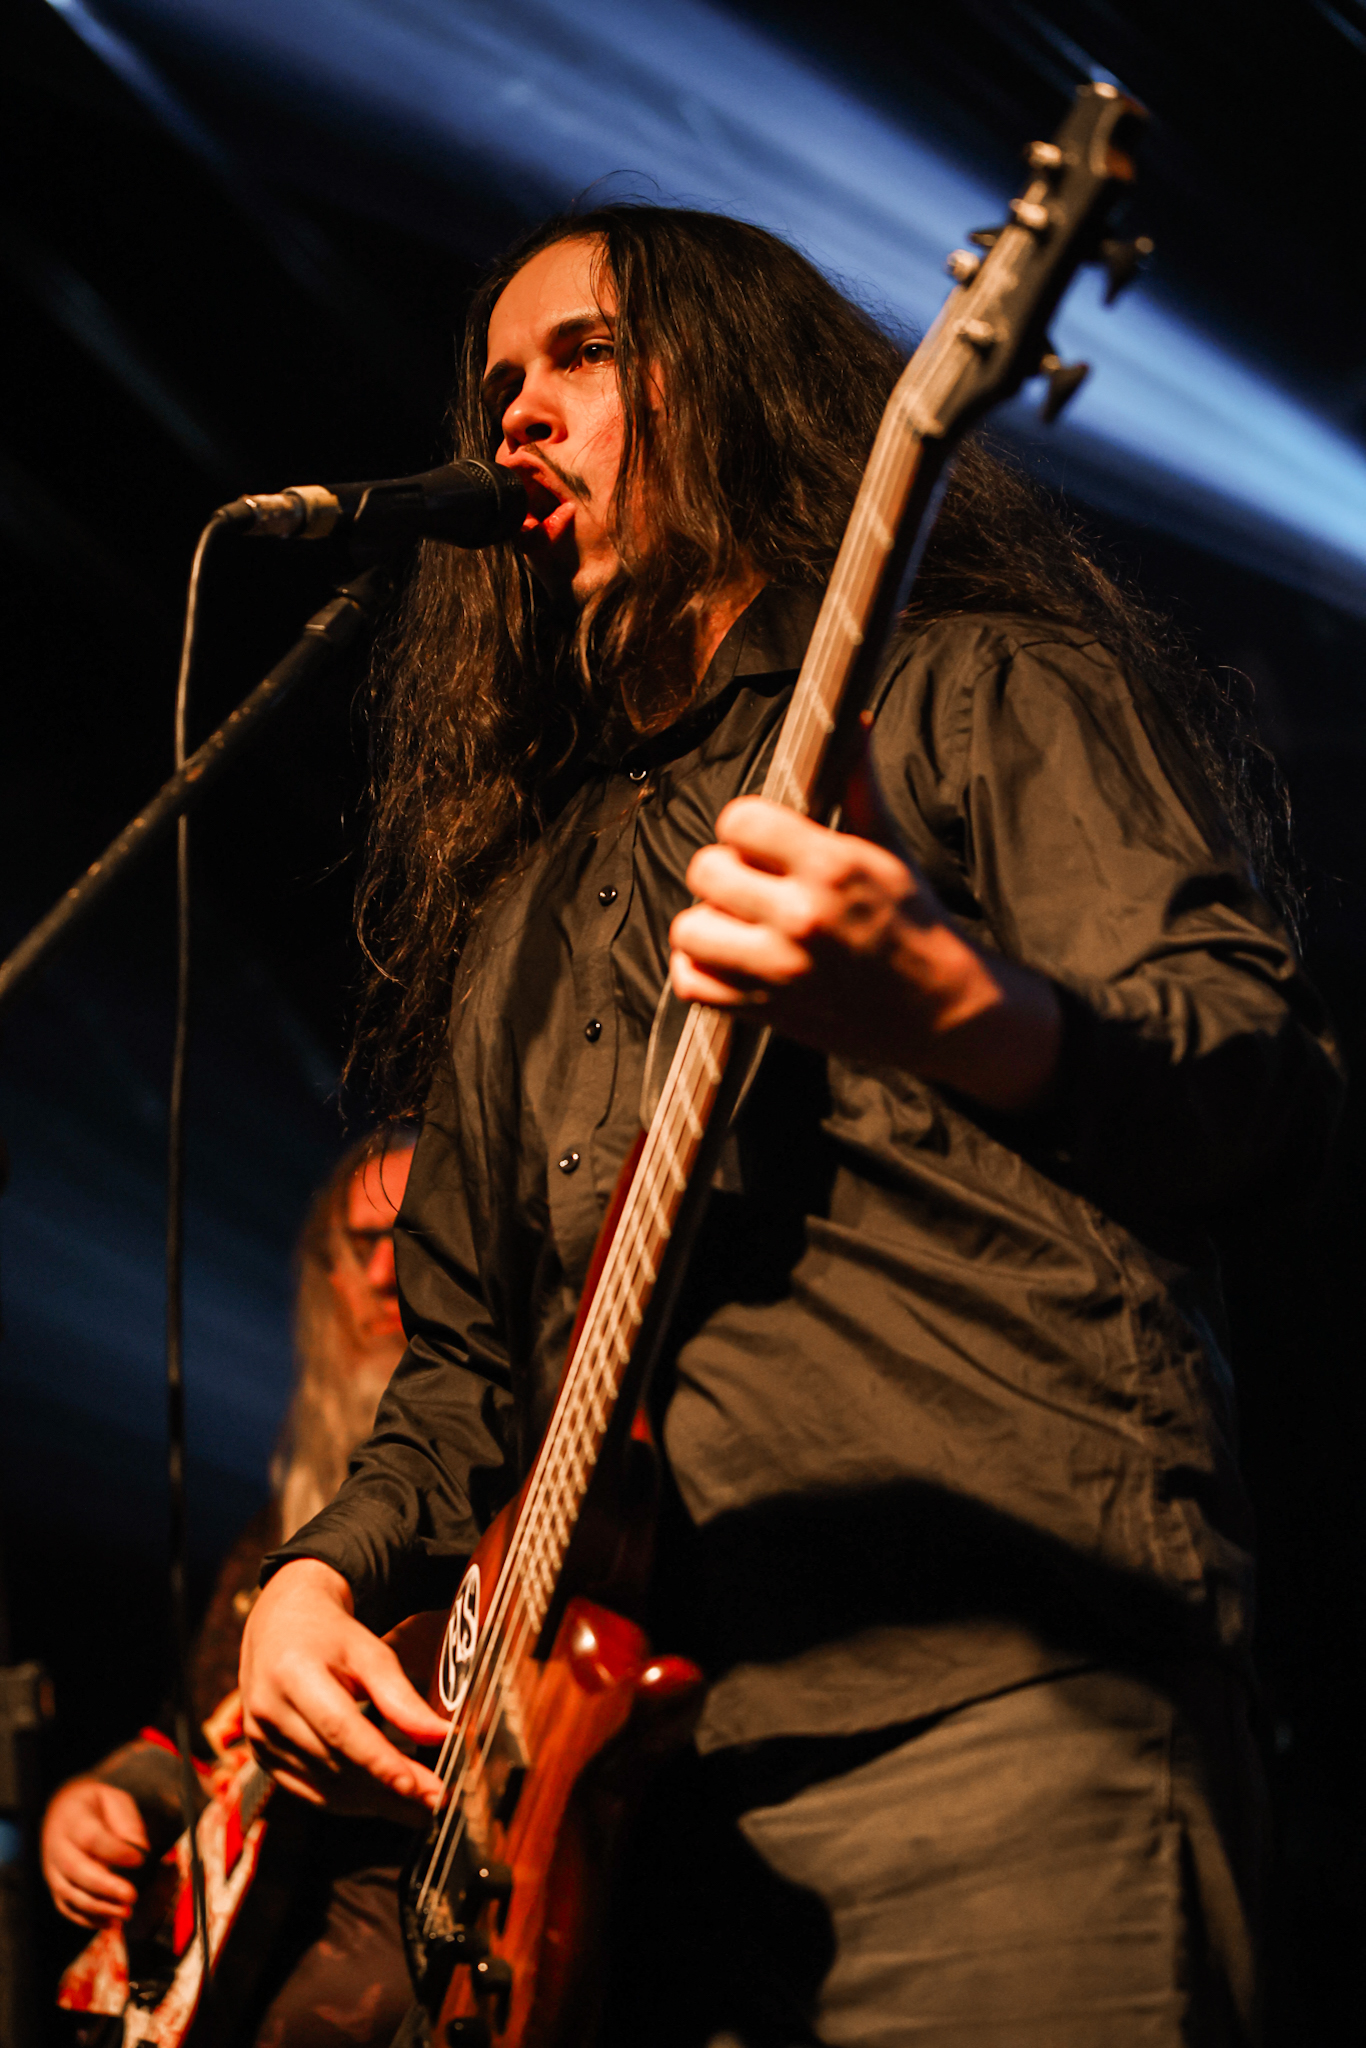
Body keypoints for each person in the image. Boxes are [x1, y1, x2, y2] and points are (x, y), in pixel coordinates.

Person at [238, 208, 1343, 2046]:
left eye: (584, 354)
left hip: (1003, 1704)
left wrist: (960, 1005)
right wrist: (308, 1582)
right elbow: (461, 1380)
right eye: (498, 383)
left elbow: (1261, 1084)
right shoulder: (528, 916)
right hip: (646, 1833)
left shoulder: (977, 691)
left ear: (740, 383)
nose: (518, 414)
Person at [43, 1131, 416, 2048]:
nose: (383, 1274)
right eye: (358, 1245)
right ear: (329, 1277)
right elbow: (204, 1732)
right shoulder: (280, 1520)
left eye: (413, 1236)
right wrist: (100, 1800)